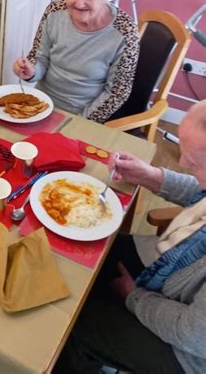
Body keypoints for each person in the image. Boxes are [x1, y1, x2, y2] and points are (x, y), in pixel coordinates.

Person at [54, 100, 206, 374]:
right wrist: (149, 176)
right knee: (82, 249)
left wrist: (133, 297)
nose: (182, 162)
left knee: (73, 326)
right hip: (167, 267)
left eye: (194, 161)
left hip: (187, 353)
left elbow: (193, 335)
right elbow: (200, 193)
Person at [13, 0, 140, 123]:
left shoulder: (125, 32)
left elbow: (116, 93)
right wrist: (31, 71)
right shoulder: (55, 11)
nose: (79, 3)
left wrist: (80, 123)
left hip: (85, 114)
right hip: (40, 105)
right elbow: (40, 57)